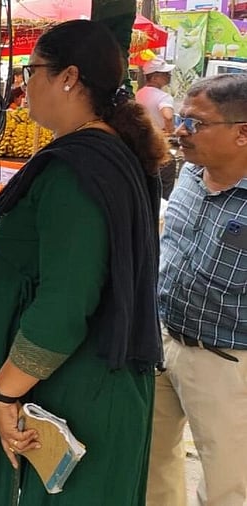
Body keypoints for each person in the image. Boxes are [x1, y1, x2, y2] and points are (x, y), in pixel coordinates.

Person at [0, 20, 166, 505]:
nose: (23, 84)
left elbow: (65, 304)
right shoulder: (113, 153)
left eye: (32, 69)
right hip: (87, 382)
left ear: (68, 77)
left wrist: (5, 393)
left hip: (72, 392)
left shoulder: (78, 172)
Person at [146, 73, 247, 506]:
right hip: (163, 340)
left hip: (227, 362)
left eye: (197, 123)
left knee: (228, 484)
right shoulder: (187, 175)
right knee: (149, 465)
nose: (181, 131)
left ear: (242, 133)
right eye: (182, 119)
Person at [136, 58, 178, 199]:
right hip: (157, 144)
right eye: (165, 73)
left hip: (139, 143)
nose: (168, 76)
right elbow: (167, 116)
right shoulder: (164, 97)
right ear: (154, 77)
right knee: (166, 174)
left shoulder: (139, 94)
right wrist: (170, 130)